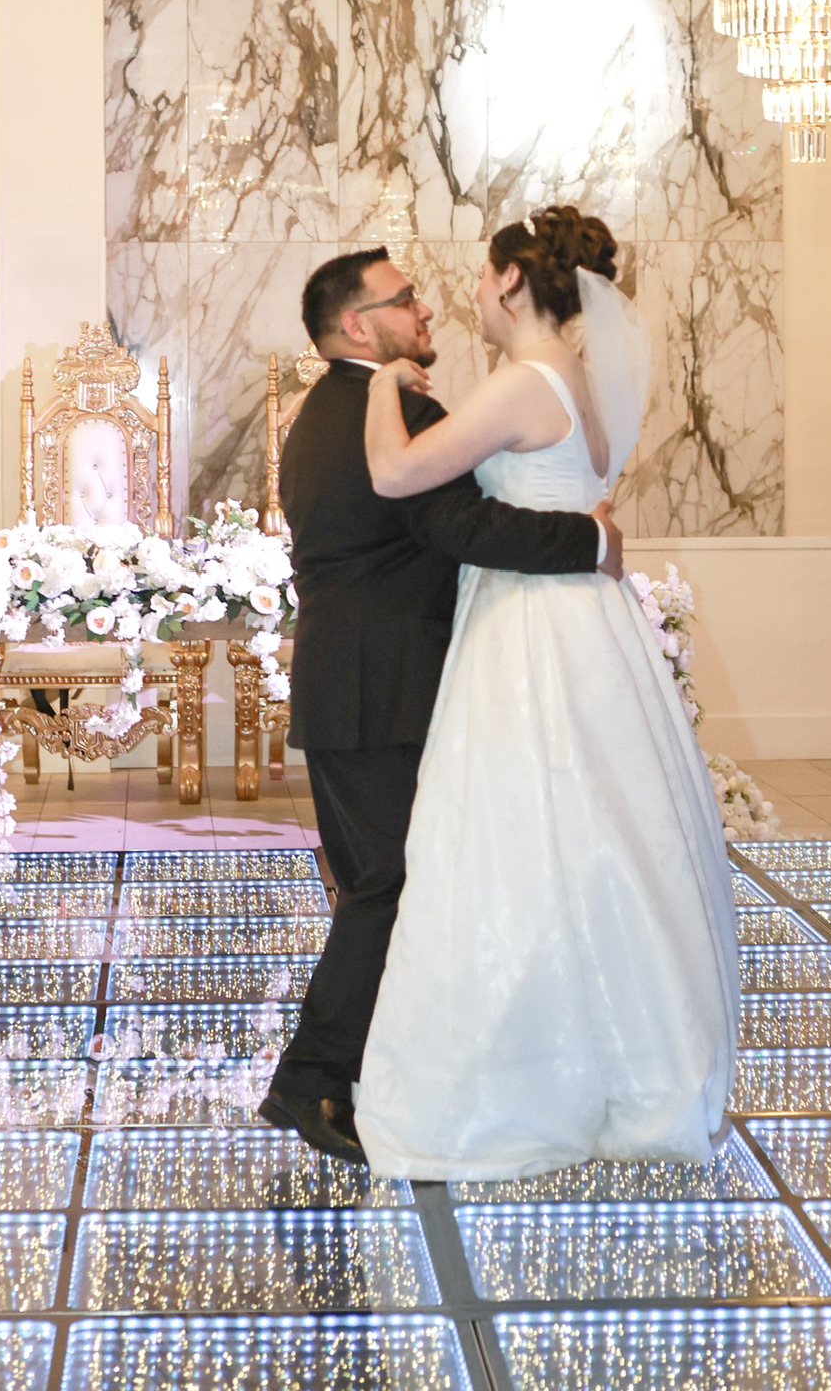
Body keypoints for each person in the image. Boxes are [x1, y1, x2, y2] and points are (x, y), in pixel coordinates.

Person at [354, 205, 740, 1181]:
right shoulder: (576, 380)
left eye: (485, 278)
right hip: (585, 623)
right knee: (590, 828)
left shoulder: (525, 383)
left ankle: (522, 1075)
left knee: (515, 832)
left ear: (517, 284)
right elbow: (587, 497)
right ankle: (616, 1055)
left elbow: (399, 473)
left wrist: (383, 384)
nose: (475, 295)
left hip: (527, 627)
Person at [259, 245, 623, 1163]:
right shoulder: (393, 409)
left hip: (347, 688)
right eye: (403, 300)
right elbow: (464, 526)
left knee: (381, 883)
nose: (424, 313)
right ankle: (311, 1082)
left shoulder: (321, 409)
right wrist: (590, 541)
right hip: (385, 689)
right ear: (357, 325)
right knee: (391, 885)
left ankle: (373, 1069)